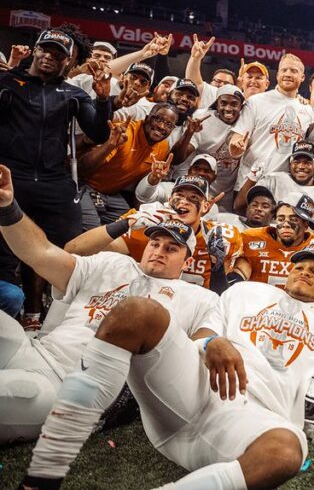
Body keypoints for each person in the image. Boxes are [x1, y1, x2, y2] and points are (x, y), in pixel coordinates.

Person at [17, 232, 314, 490]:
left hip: (251, 416)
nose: (304, 273)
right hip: (193, 384)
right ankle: (45, 472)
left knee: (286, 452)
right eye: (299, 266)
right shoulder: (246, 292)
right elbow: (205, 329)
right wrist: (212, 343)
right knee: (138, 311)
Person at [0, 162, 216, 445]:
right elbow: (41, 253)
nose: (159, 251)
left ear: (187, 261)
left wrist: (212, 344)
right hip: (35, 349)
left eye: (171, 248)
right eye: (155, 243)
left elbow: (201, 351)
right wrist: (7, 206)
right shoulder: (112, 262)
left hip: (67, 389)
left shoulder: (198, 298)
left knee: (12, 390)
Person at [0, 26, 113, 329]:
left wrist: (103, 101)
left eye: (58, 53)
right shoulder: (8, 83)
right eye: (45, 49)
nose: (50, 56)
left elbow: (99, 133)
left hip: (53, 181)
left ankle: (41, 312)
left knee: (68, 246)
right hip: (13, 176)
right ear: (35, 50)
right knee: (7, 246)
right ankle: (12, 308)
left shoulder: (72, 93)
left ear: (67, 61)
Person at [66, 176, 244, 290]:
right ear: (169, 200)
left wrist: (219, 264)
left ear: (206, 206)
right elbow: (74, 249)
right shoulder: (147, 226)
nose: (184, 202)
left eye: (194, 198)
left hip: (193, 311)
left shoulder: (221, 236)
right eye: (179, 196)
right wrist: (125, 223)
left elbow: (221, 296)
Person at [77, 104, 177, 228]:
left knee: (133, 225)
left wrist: (154, 179)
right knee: (92, 229)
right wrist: (110, 145)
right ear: (147, 118)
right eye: (158, 119)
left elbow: (140, 190)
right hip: (85, 185)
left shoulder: (163, 147)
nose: (161, 126)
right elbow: (81, 168)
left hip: (112, 194)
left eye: (169, 125)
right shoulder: (124, 132)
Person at [227, 54, 314, 189]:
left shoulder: (307, 110)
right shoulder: (256, 102)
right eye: (284, 70)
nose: (288, 74)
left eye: (294, 71)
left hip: (285, 187)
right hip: (249, 185)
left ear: (302, 77)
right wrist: (235, 148)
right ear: (277, 74)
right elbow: (237, 140)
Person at [234, 198, 314, 289]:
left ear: (305, 225)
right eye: (281, 219)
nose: (286, 224)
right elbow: (240, 271)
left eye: (294, 219)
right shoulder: (251, 237)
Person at [173, 84, 246, 197]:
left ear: (241, 106)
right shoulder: (203, 119)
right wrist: (189, 132)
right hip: (196, 187)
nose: (228, 108)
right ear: (217, 104)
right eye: (223, 103)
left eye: (234, 104)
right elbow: (177, 158)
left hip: (226, 193)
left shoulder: (246, 121)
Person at [236, 141, 314, 216]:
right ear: (290, 164)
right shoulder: (274, 181)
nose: (301, 166)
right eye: (296, 162)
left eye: (307, 163)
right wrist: (252, 178)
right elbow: (239, 205)